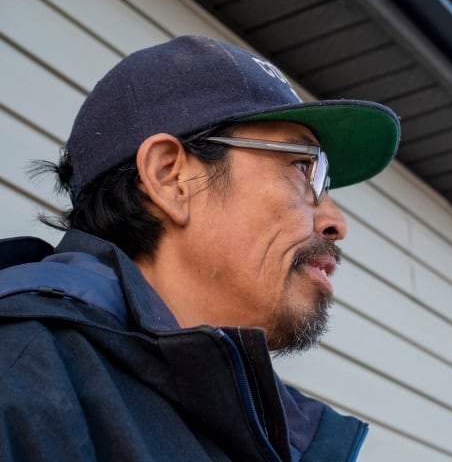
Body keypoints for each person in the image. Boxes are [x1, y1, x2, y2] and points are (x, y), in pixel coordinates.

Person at [0, 35, 400, 461]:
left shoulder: (282, 431)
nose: (336, 221)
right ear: (171, 178)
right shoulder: (20, 383)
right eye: (304, 167)